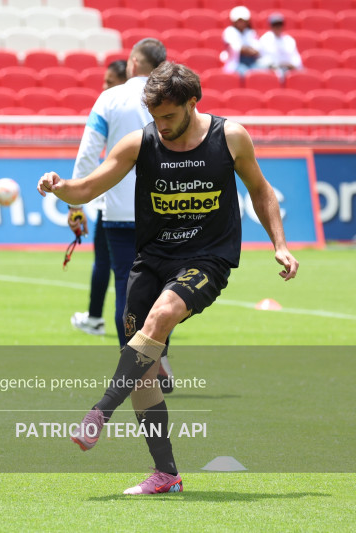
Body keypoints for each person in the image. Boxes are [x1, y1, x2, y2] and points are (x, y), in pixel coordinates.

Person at [37, 62, 299, 494]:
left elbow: (260, 189)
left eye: (169, 117)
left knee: (159, 318)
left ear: (192, 103)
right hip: (152, 259)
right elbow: (86, 188)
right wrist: (58, 186)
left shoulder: (230, 136)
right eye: (155, 117)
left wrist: (280, 244)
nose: (161, 125)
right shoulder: (141, 141)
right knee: (144, 363)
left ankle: (99, 412)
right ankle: (166, 474)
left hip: (206, 259)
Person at [69, 58, 128, 338]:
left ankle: (95, 318)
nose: (104, 87)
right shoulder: (151, 108)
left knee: (107, 264)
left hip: (113, 202)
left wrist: (76, 203)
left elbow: (88, 156)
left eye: (109, 82)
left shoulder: (111, 104)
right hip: (149, 202)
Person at [257, 13, 302, 77]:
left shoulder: (289, 40)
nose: (278, 27)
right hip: (271, 69)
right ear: (271, 26)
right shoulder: (265, 39)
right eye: (275, 25)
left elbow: (296, 60)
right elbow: (262, 59)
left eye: (280, 24)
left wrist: (290, 65)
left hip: (289, 70)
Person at [221, 6, 261, 75]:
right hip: (236, 64)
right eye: (239, 21)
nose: (241, 23)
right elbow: (237, 48)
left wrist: (246, 50)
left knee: (261, 72)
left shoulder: (250, 32)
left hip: (252, 62)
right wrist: (248, 50)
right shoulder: (230, 31)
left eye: (243, 21)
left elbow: (257, 50)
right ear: (234, 22)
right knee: (245, 73)